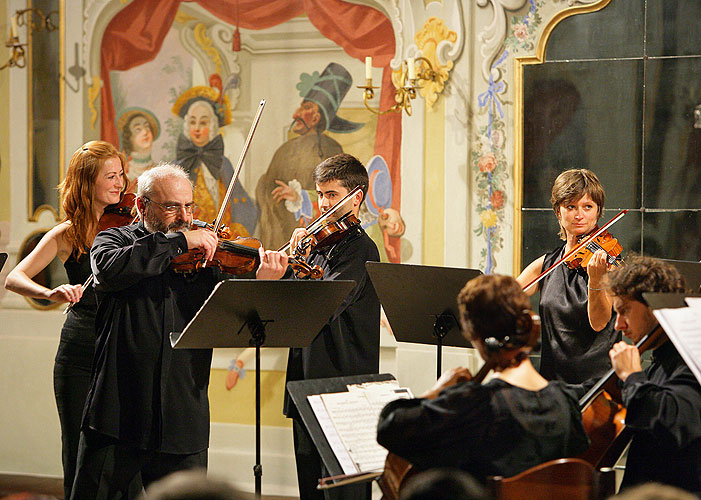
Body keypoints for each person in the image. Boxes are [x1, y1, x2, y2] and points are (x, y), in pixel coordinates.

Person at [70, 163, 288, 500]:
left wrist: (262, 284)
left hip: (182, 413)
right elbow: (109, 271)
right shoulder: (114, 240)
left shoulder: (206, 257)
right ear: (143, 206)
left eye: (189, 206)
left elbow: (234, 314)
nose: (185, 216)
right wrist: (177, 242)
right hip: (117, 414)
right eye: (172, 206)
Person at [377, 274, 589, 483]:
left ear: (475, 336)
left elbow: (390, 427)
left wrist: (438, 391)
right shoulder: (567, 402)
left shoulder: (479, 404)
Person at [4, 141, 127, 500]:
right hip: (79, 349)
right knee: (77, 446)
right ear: (87, 183)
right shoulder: (68, 233)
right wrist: (50, 293)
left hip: (120, 348)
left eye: (121, 174)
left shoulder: (129, 230)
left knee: (121, 450)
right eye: (111, 176)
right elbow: (15, 277)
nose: (120, 183)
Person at [283, 153, 380, 500]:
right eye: (320, 194)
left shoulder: (361, 250)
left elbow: (324, 306)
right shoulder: (314, 244)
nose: (322, 204)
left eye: (332, 195)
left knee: (344, 490)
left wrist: (299, 263)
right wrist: (291, 262)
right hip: (305, 377)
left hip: (342, 382)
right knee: (309, 483)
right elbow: (288, 304)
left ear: (356, 197)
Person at [605, 256, 701, 494]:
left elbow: (677, 422)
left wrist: (631, 376)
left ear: (654, 307)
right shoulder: (660, 363)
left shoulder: (688, 361)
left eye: (624, 311)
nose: (618, 325)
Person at [516, 169, 619, 384]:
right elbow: (508, 297)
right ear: (558, 212)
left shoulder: (608, 266)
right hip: (553, 383)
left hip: (597, 386)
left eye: (587, 207)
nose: (579, 215)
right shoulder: (546, 264)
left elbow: (599, 323)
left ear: (598, 211)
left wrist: (596, 279)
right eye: (571, 207)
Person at [255, 63, 363, 250]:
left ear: (317, 117)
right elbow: (266, 189)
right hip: (281, 228)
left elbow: (336, 190)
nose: (296, 114)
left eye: (305, 107)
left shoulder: (332, 148)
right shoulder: (284, 150)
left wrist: (301, 197)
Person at [173, 77, 258, 238]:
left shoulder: (223, 163)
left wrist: (234, 234)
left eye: (203, 123)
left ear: (212, 126)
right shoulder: (177, 167)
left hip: (221, 242)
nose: (197, 128)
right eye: (193, 122)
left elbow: (242, 203)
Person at [117, 107, 159, 191]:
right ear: (129, 138)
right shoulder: (124, 172)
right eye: (138, 129)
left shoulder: (158, 170)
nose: (145, 132)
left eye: (147, 127)